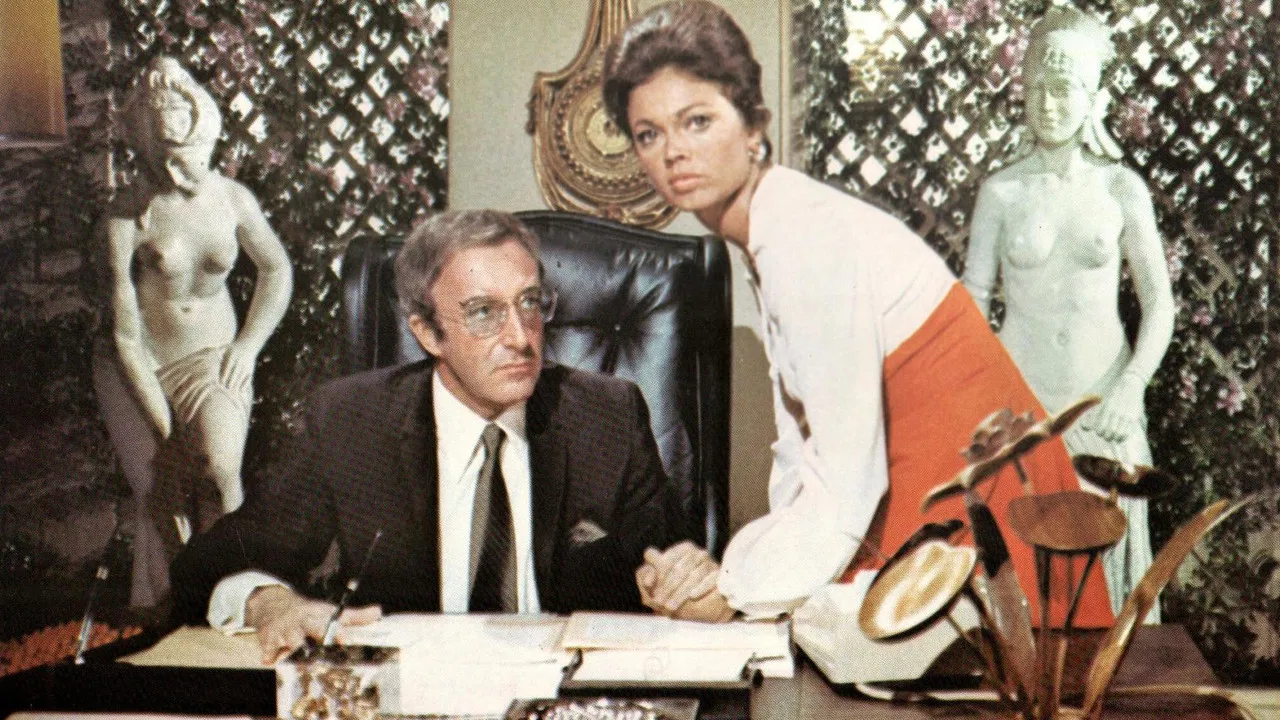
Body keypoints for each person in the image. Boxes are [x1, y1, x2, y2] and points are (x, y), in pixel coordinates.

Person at [602, 0, 1114, 626]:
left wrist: (734, 590)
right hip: (935, 503)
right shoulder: (775, 228)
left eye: (698, 121)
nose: (674, 152)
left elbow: (846, 482)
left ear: (752, 124)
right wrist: (736, 571)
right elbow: (805, 450)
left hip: (983, 513)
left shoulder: (803, 238)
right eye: (649, 134)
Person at [169, 210, 686, 663]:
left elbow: (677, 568)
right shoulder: (351, 422)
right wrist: (270, 603)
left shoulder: (606, 416)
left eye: (530, 303)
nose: (520, 337)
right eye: (483, 312)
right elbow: (208, 564)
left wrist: (690, 587)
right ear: (427, 333)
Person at [961, 8, 1175, 619]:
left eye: (1062, 89)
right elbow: (973, 301)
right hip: (1020, 413)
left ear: (1093, 98)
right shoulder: (1001, 192)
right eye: (1036, 89)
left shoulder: (1120, 189)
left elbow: (1160, 304)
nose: (1048, 104)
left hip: (1104, 412)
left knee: (1109, 599)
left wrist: (1132, 386)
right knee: (1023, 601)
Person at [95, 57, 292, 607]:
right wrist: (167, 432)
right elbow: (126, 338)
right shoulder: (125, 216)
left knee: (222, 469)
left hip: (210, 360)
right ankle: (177, 608)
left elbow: (276, 269)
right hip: (137, 368)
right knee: (163, 491)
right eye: (157, 122)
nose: (187, 167)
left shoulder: (233, 198)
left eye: (180, 118)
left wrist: (248, 347)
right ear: (146, 141)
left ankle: (239, 596)